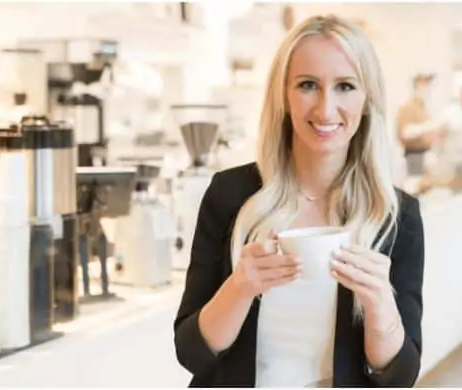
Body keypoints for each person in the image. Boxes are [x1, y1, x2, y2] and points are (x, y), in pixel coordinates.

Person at [173, 14, 425, 388]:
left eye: (345, 86)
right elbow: (191, 353)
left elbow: (400, 377)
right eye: (308, 85)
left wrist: (379, 305)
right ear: (284, 96)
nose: (325, 109)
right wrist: (240, 287)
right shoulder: (230, 195)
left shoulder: (395, 216)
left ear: (367, 99)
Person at [395, 73, 443, 176]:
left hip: (426, 154)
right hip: (414, 155)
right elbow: (404, 133)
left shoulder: (424, 108)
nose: (427, 87)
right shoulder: (407, 107)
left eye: (429, 84)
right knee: (415, 186)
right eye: (424, 83)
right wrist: (426, 128)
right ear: (416, 85)